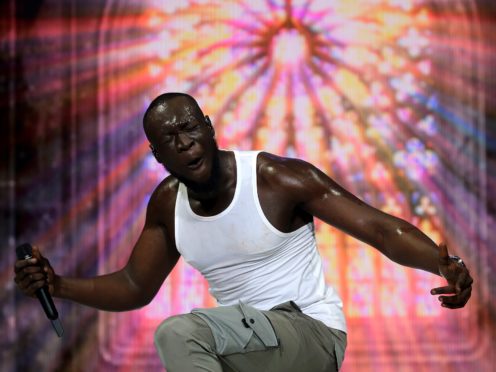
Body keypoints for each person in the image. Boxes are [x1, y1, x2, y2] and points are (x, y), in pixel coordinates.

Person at [14, 92, 473, 372]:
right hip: (251, 347)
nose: (185, 142)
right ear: (158, 157)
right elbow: (135, 285)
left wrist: (441, 263)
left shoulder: (276, 179)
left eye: (190, 127)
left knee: (177, 335)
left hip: (311, 333)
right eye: (169, 140)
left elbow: (379, 229)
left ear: (209, 128)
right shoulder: (166, 205)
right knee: (189, 351)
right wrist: (58, 286)